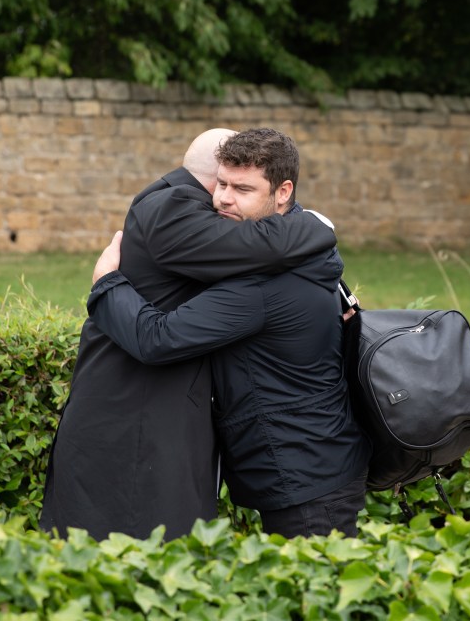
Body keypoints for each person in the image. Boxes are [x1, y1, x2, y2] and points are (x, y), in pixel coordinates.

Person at [40, 128, 338, 541]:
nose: (224, 200)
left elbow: (268, 241)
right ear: (210, 179)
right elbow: (262, 246)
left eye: (240, 187)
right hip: (133, 421)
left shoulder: (204, 215)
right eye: (222, 184)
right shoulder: (174, 210)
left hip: (293, 456)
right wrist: (317, 226)